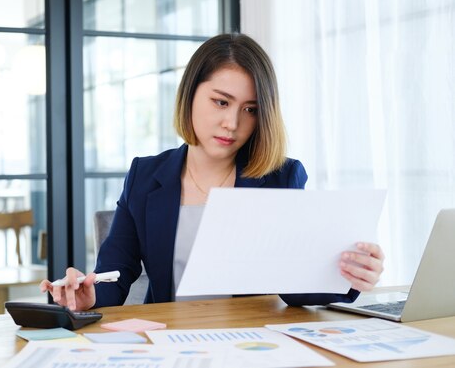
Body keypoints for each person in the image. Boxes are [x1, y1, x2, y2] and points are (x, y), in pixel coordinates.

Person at [40, 33, 385, 311]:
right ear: (190, 94)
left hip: (252, 345)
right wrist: (88, 296)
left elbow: (295, 289)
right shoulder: (145, 175)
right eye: (221, 102)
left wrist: (348, 276)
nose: (232, 123)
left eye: (250, 109)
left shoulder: (282, 177)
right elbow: (116, 274)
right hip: (169, 342)